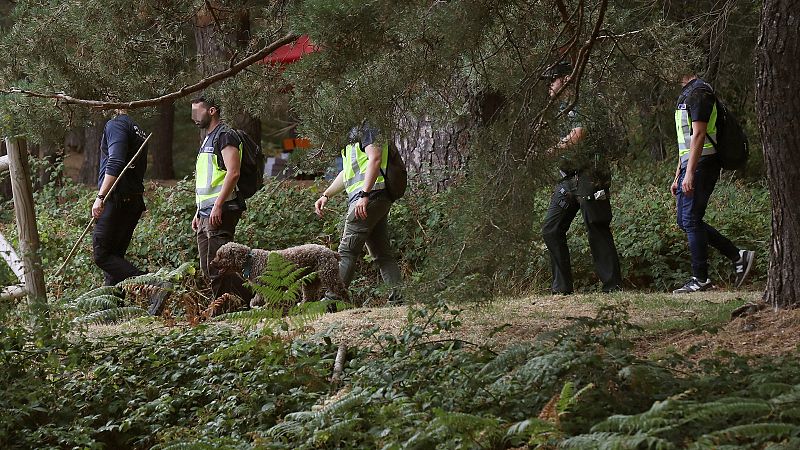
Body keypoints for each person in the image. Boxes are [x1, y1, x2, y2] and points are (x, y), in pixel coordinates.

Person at [540, 61, 622, 294]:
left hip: (589, 175)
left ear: (565, 79)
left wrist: (549, 152)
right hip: (567, 178)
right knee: (551, 229)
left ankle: (612, 287)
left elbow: (578, 135)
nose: (549, 85)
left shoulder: (584, 101)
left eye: (552, 80)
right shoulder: (560, 108)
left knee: (596, 226)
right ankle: (561, 289)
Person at [671, 72, 755, 294]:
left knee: (691, 219)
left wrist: (689, 173)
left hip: (703, 165)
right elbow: (686, 140)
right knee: (685, 220)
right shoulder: (686, 94)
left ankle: (700, 279)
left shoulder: (699, 92)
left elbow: (699, 135)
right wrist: (678, 173)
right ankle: (738, 256)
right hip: (691, 165)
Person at [314, 124, 402, 305]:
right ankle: (399, 301)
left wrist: (364, 195)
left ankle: (331, 302)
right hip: (374, 198)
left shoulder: (369, 127)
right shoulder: (352, 135)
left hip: (368, 199)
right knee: (382, 254)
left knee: (346, 252)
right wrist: (326, 195)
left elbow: (375, 158)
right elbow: (347, 173)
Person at [190, 97, 246, 298]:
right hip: (205, 212)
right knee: (208, 267)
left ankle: (227, 311)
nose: (194, 117)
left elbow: (233, 172)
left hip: (221, 210)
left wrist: (218, 205)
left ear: (212, 111)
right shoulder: (207, 138)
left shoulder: (225, 135)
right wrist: (198, 211)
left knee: (219, 268)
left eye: (197, 112)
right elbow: (207, 179)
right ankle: (251, 300)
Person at [91, 110, 148, 285]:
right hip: (132, 201)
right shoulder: (137, 128)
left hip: (117, 199)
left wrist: (100, 197)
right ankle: (112, 311)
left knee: (102, 256)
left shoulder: (116, 124)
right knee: (115, 259)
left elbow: (115, 161)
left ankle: (153, 285)